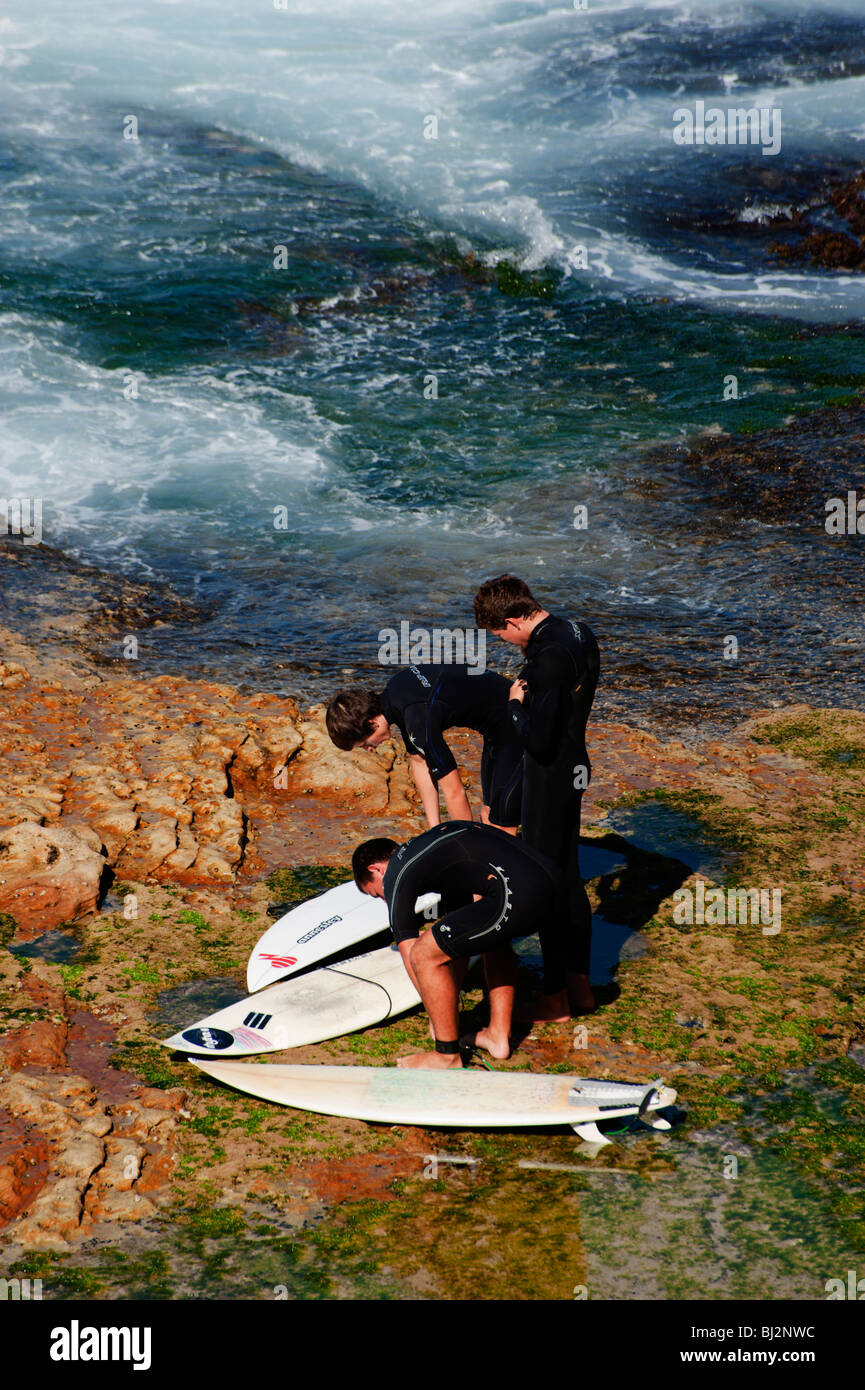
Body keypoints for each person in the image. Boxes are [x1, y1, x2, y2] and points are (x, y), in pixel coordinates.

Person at [473, 574, 600, 1020]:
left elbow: (539, 742)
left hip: (548, 777)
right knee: (570, 878)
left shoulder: (544, 660)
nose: (504, 643)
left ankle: (555, 1000)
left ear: (511, 620)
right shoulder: (578, 631)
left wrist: (513, 703)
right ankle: (581, 988)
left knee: (547, 883)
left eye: (500, 635)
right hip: (576, 765)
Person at [352, 822, 564, 1068]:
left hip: (522, 892)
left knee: (423, 953)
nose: (383, 898)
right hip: (556, 885)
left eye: (376, 894)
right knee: (487, 935)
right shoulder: (433, 852)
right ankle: (497, 1036)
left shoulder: (396, 871)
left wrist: (437, 1017)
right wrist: (446, 1001)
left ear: (376, 870)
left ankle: (447, 1055)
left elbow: (412, 954)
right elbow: (457, 945)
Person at [326, 665, 522, 832]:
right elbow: (419, 761)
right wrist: (435, 827)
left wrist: (465, 846)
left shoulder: (418, 720)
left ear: (372, 723)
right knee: (489, 814)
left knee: (502, 824)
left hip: (514, 717)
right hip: (496, 724)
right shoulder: (395, 693)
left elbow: (454, 792)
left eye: (365, 744)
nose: (370, 749)